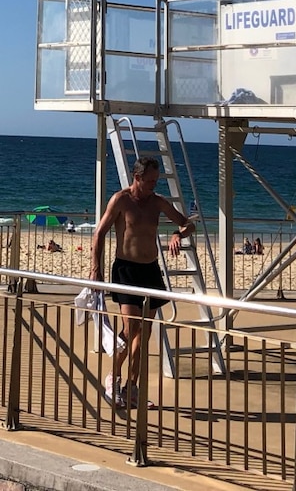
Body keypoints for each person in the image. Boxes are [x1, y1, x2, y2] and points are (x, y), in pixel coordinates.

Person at [90, 156, 195, 409]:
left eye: (155, 181)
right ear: (137, 178)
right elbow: (99, 233)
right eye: (149, 181)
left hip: (150, 270)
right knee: (131, 329)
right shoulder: (121, 200)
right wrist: (95, 268)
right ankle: (112, 378)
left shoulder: (157, 202)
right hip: (126, 269)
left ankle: (132, 388)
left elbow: (188, 224)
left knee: (145, 333)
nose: (152, 186)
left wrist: (176, 234)